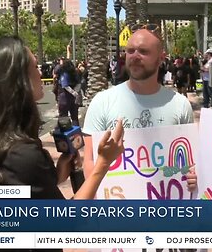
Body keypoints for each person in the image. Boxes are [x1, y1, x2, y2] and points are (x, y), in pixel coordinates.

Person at [0, 37, 124, 204]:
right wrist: (103, 163)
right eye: (34, 67)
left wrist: (53, 176)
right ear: (15, 79)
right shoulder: (22, 155)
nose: (40, 73)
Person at [81, 24, 195, 189]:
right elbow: (90, 160)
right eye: (130, 51)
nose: (135, 56)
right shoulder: (102, 101)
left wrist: (192, 177)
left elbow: (187, 161)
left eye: (143, 51)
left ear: (161, 58)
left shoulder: (180, 105)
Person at [57, 59, 81, 125]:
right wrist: (75, 93)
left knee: (63, 117)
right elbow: (79, 83)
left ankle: (64, 132)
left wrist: (73, 92)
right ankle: (76, 133)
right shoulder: (75, 73)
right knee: (74, 117)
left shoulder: (64, 73)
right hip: (74, 98)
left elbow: (65, 85)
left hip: (64, 97)